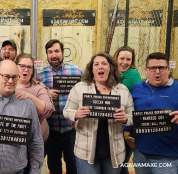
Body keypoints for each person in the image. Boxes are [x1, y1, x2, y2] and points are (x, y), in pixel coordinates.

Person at [63, 52, 134, 174]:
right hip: (85, 151)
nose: (100, 67)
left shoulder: (122, 90)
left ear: (111, 68)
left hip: (114, 151)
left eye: (104, 64)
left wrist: (125, 119)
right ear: (92, 69)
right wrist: (75, 114)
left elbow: (132, 117)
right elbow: (66, 111)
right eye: (96, 64)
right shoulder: (79, 87)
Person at [36, 39, 83, 174]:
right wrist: (46, 94)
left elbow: (85, 95)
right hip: (52, 131)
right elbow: (36, 99)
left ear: (63, 52)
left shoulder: (76, 71)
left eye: (56, 51)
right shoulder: (40, 75)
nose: (53, 55)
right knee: (54, 166)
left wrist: (80, 119)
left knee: (73, 166)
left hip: (71, 129)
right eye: (50, 52)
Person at [131, 52, 178, 174]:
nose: (157, 72)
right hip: (140, 153)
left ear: (168, 69)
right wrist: (127, 135)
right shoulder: (136, 88)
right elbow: (128, 112)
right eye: (152, 68)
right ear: (146, 70)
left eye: (161, 68)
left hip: (168, 157)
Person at [113, 46, 141, 174]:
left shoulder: (132, 74)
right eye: (122, 58)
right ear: (116, 58)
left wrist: (127, 131)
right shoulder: (113, 73)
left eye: (128, 59)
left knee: (121, 164)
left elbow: (117, 95)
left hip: (126, 125)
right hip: (114, 124)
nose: (125, 62)